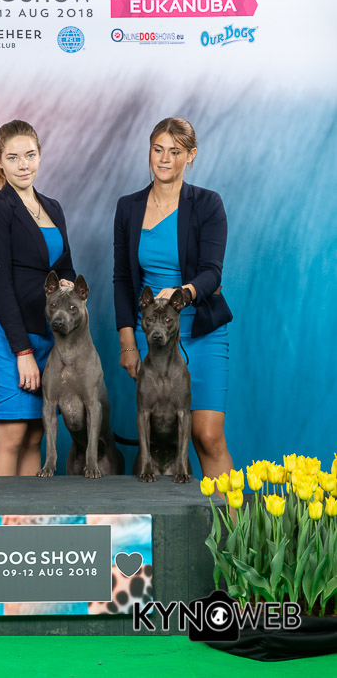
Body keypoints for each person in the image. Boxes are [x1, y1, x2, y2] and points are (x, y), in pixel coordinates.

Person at [113, 116, 234, 480]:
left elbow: (212, 272)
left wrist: (185, 293)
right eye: (158, 149)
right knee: (157, 437)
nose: (164, 159)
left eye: (175, 152)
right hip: (154, 336)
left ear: (191, 155)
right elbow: (123, 280)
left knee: (207, 436)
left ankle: (232, 519)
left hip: (202, 330)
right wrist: (128, 343)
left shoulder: (208, 204)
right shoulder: (128, 207)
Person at [0, 120, 76, 476]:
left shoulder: (53, 206)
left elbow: (65, 265)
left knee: (36, 434)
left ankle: (28, 513)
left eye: (30, 155)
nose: (23, 165)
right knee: (11, 434)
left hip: (49, 334)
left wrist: (67, 283)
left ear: (40, 155)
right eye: (13, 157)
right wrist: (22, 352)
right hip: (8, 337)